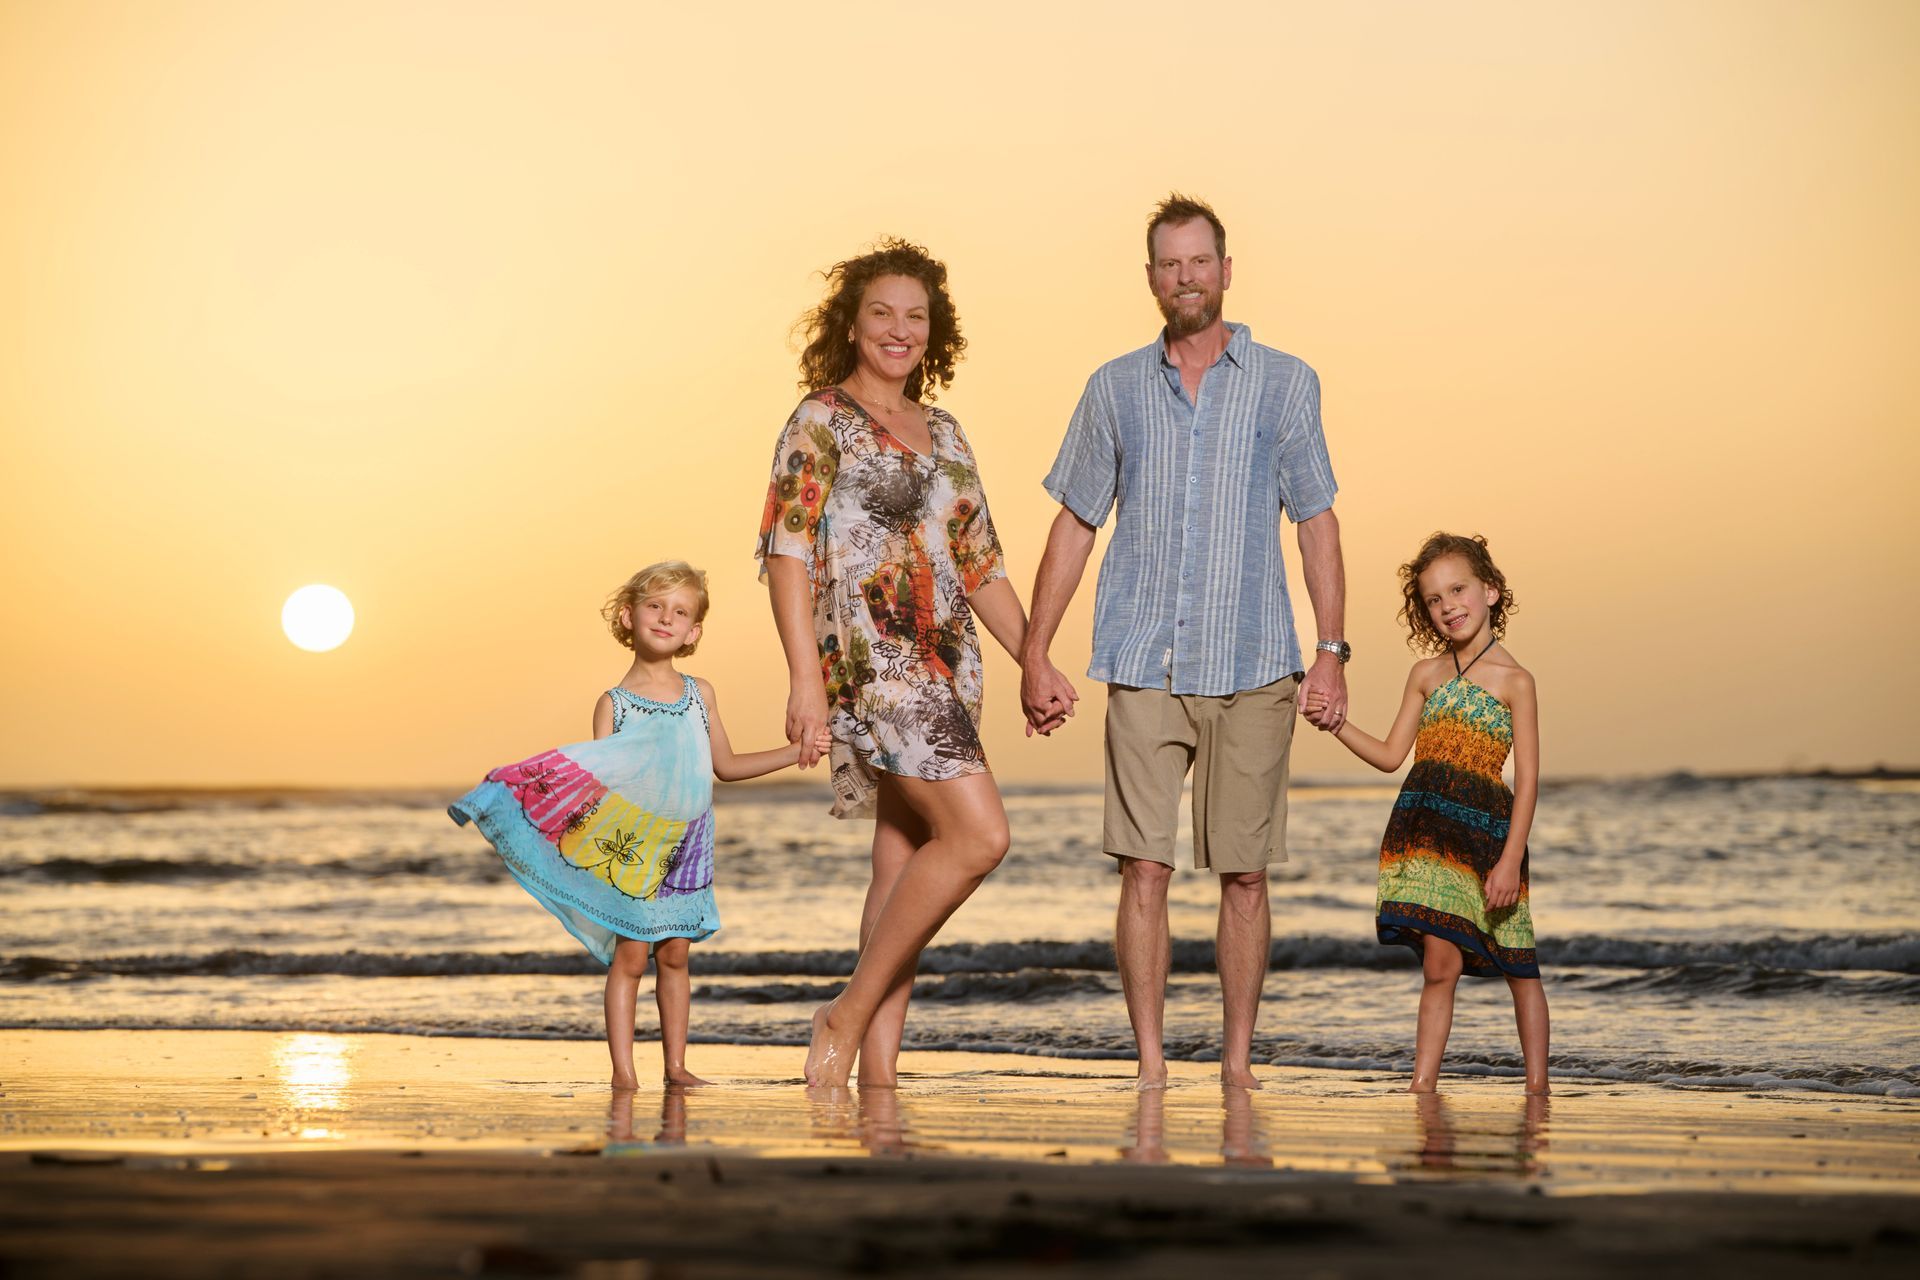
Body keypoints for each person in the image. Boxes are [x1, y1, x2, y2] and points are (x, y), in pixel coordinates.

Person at [1022, 194, 1347, 1090]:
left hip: (1253, 665)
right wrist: (1036, 652)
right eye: (1169, 264)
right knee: (1143, 869)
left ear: (1227, 269)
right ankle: (1153, 1066)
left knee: (1244, 875)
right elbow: (1075, 524)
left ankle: (1238, 1065)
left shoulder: (1286, 382)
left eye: (1200, 261)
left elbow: (1316, 521)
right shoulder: (1114, 388)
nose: (1186, 277)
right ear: (1152, 280)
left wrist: (1333, 650)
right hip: (1143, 661)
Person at [757, 238, 1031, 1088]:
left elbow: (981, 562)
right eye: (881, 312)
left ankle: (873, 1076)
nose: (899, 329)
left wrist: (1037, 661)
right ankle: (843, 1013)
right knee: (981, 836)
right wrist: (806, 677)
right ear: (852, 322)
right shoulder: (821, 419)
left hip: (949, 665)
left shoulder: (947, 433)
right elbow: (786, 552)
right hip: (875, 660)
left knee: (902, 858)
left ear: (933, 331)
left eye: (916, 316)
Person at [449, 561, 828, 1090]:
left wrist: (795, 752)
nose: (666, 618)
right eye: (655, 606)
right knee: (629, 956)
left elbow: (728, 765)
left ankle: (676, 1068)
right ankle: (623, 1074)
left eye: (680, 612)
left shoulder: (701, 693)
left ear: (694, 631)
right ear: (629, 616)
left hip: (688, 843)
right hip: (633, 845)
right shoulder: (615, 705)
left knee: (675, 955)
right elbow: (600, 782)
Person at [1302, 532, 1550, 1094]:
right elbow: (1392, 756)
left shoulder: (1517, 683)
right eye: (1434, 600)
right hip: (1426, 840)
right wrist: (1337, 725)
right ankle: (1422, 1087)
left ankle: (1539, 1089)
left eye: (1458, 590)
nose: (1448, 606)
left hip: (1488, 839)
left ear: (1490, 591)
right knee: (1440, 967)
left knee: (1519, 965)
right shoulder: (1426, 675)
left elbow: (1529, 780)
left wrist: (1510, 860)